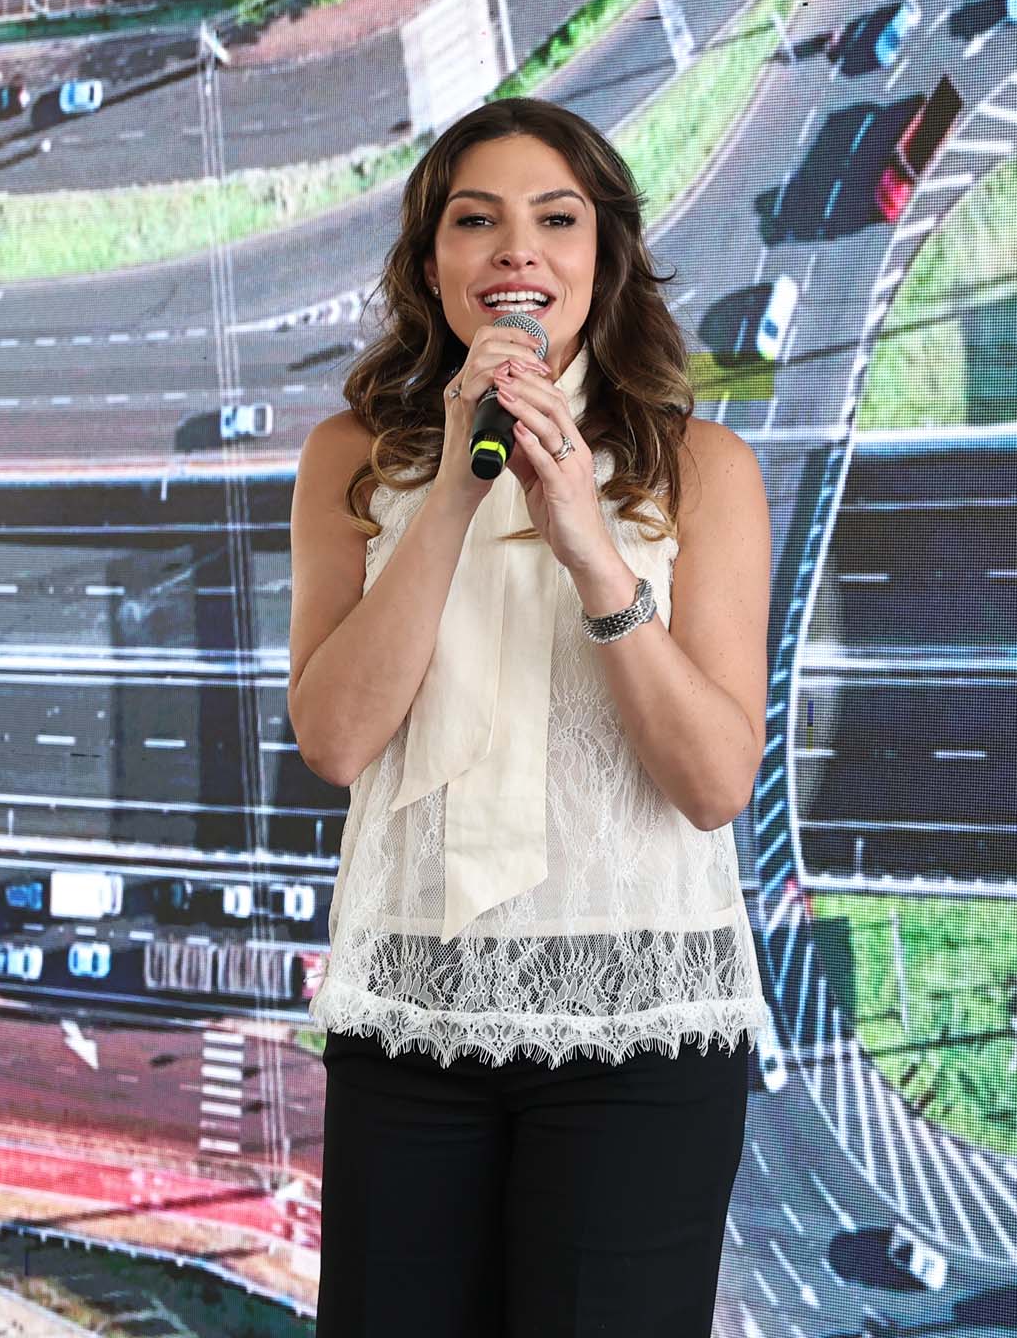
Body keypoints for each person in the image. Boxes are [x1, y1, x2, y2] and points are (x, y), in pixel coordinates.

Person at [287, 97, 774, 1338]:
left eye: (557, 218)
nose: (517, 250)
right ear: (429, 262)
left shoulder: (703, 466)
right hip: (410, 1018)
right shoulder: (350, 456)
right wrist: (457, 483)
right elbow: (335, 740)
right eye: (476, 220)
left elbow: (714, 781)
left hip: (640, 1023)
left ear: (602, 255)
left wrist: (594, 552)